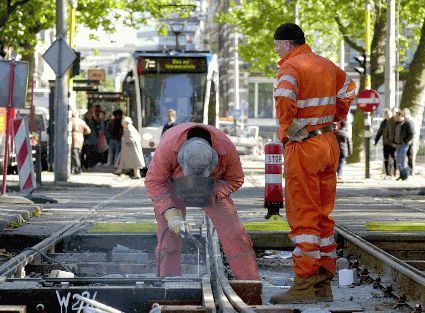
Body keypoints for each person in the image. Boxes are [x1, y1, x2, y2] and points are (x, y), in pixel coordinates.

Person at [270, 23, 356, 304]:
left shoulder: (291, 67)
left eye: (277, 46)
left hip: (305, 147)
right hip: (328, 144)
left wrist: (290, 131)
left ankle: (304, 284)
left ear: (286, 43)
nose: (277, 52)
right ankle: (322, 283)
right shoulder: (326, 65)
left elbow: (284, 101)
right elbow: (348, 89)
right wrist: (334, 117)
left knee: (303, 215)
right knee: (322, 215)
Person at [144, 123, 260, 280]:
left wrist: (214, 192)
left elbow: (236, 179)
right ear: (181, 157)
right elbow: (154, 182)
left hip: (212, 187)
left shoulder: (226, 148)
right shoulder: (168, 147)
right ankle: (168, 282)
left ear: (213, 158)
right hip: (173, 185)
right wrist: (170, 211)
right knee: (169, 239)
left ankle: (249, 283)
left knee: (235, 235)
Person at [375, 109, 396, 178]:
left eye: (388, 114)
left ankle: (394, 172)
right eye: (385, 114)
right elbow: (379, 132)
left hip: (393, 143)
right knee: (386, 158)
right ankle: (388, 173)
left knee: (393, 158)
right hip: (386, 143)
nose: (387, 116)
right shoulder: (383, 123)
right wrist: (376, 141)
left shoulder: (394, 121)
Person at [393, 111, 414, 180]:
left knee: (401, 158)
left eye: (397, 116)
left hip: (404, 144)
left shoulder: (406, 123)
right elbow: (395, 134)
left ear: (401, 116)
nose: (395, 117)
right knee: (398, 160)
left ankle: (405, 174)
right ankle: (402, 174)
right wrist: (394, 142)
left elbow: (411, 134)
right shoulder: (397, 124)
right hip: (398, 144)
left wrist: (405, 141)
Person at [403, 108, 415, 176]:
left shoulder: (410, 121)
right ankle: (407, 171)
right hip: (406, 141)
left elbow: (412, 133)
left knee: (409, 157)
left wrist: (406, 140)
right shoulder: (406, 120)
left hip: (409, 142)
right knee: (406, 157)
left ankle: (410, 171)